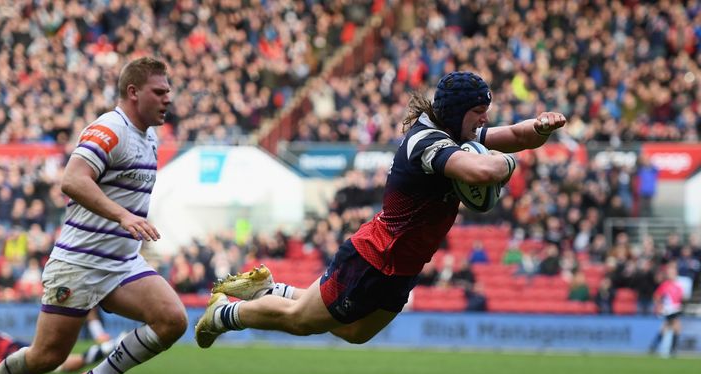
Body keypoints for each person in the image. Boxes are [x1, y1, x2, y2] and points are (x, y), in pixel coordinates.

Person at [194, 71, 565, 348]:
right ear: (455, 112)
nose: (484, 119)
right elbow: (483, 170)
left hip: (403, 264)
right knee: (302, 321)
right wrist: (510, 166)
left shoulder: (457, 134)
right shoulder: (427, 142)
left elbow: (518, 136)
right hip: (376, 256)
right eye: (479, 112)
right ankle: (225, 314)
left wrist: (542, 126)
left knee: (355, 333)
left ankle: (270, 288)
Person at [0, 57, 188, 374]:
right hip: (79, 264)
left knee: (173, 320)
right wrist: (123, 217)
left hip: (121, 263)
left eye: (168, 92)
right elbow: (73, 180)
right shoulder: (109, 128)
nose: (168, 99)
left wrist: (126, 222)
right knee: (45, 357)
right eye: (159, 92)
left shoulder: (150, 136)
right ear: (133, 92)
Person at [0, 310, 115, 374]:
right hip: (11, 348)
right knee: (59, 362)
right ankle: (108, 348)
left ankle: (111, 347)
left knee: (59, 365)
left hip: (9, 353)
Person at [649, 261, 684, 357]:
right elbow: (656, 296)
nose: (672, 274)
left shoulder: (679, 284)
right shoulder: (665, 284)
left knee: (665, 327)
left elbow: (680, 298)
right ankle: (673, 349)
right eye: (670, 273)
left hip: (675, 309)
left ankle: (654, 346)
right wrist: (659, 305)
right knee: (676, 326)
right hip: (668, 309)